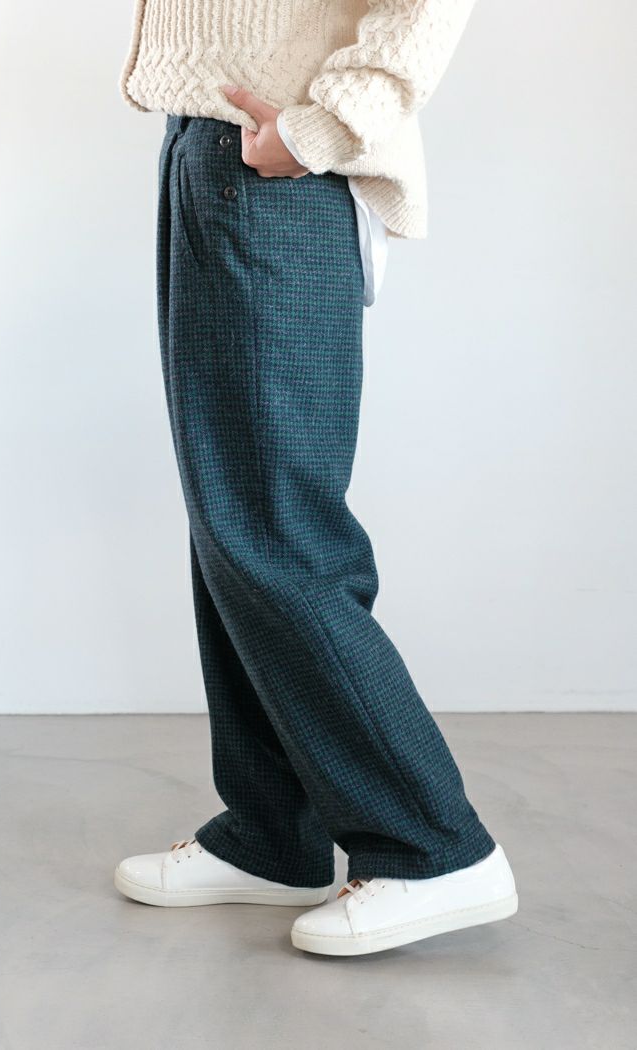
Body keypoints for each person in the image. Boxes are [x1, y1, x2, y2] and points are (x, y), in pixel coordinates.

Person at [114, 0, 518, 957]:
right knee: (230, 517)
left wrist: (324, 126)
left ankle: (434, 845)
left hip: (278, 164)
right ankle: (273, 834)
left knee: (275, 528)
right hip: (215, 149)